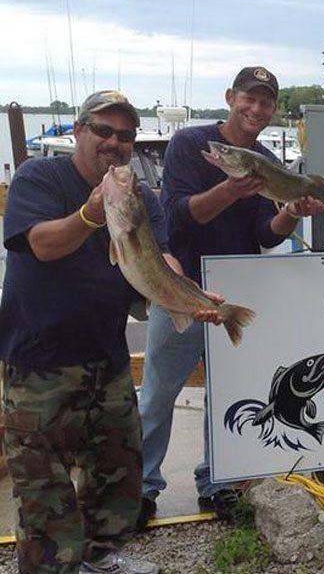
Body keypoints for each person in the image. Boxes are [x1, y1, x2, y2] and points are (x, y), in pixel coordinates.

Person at [0, 90, 220, 573]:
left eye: (125, 135)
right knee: (44, 493)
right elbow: (40, 244)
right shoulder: (40, 178)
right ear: (78, 131)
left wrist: (185, 295)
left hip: (109, 361)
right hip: (40, 366)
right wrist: (90, 215)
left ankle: (100, 561)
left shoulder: (139, 197)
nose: (115, 143)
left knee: (117, 479)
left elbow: (158, 257)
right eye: (103, 130)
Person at [137, 66, 324, 527]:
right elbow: (179, 218)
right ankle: (141, 488)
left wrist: (290, 213)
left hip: (234, 295)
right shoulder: (191, 146)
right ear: (230, 97)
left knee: (225, 395)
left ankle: (217, 483)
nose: (256, 109)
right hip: (181, 289)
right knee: (158, 393)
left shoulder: (264, 158)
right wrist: (228, 188)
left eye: (266, 102)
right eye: (249, 98)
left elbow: (265, 231)